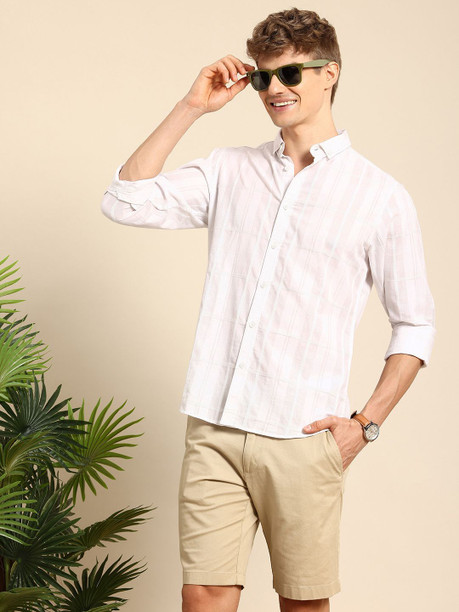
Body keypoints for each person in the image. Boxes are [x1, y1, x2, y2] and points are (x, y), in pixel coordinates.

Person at [100, 7, 436, 612]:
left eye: (291, 74)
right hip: (215, 425)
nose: (274, 88)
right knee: (203, 596)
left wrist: (365, 425)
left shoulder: (379, 197)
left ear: (330, 73)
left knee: (302, 603)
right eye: (263, 76)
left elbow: (415, 324)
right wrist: (191, 107)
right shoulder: (230, 169)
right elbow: (125, 199)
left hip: (303, 438)